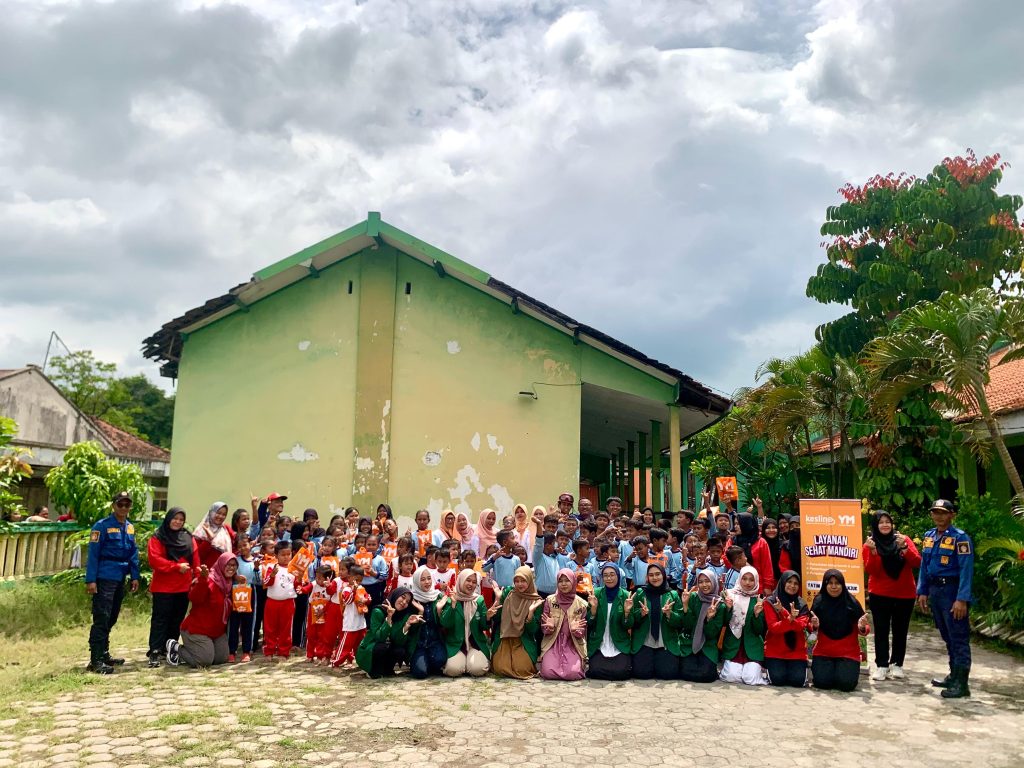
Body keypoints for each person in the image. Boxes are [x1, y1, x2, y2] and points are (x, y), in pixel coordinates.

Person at [916, 499, 974, 698]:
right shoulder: (929, 536)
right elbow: (924, 565)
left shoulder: (960, 538)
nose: (939, 516)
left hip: (952, 591)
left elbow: (966, 570)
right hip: (935, 591)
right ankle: (953, 675)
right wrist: (922, 591)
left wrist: (962, 599)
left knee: (958, 637)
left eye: (943, 512)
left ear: (952, 515)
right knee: (947, 636)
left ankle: (962, 684)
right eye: (935, 512)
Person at [85, 491, 140, 674]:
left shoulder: (130, 527)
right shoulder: (101, 526)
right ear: (113, 505)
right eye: (120, 504)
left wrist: (135, 576)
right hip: (104, 576)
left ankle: (104, 653)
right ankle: (96, 660)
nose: (123, 508)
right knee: (102, 617)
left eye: (127, 505)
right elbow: (93, 554)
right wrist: (91, 580)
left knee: (112, 616)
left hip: (120, 576)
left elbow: (133, 553)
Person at [864, 510, 921, 681]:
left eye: (887, 521)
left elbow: (916, 562)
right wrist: (873, 553)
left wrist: (904, 548)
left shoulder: (903, 539)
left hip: (905, 594)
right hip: (880, 593)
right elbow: (871, 570)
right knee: (881, 630)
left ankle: (897, 664)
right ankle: (882, 665)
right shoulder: (870, 544)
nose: (885, 525)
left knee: (900, 630)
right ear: (875, 525)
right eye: (881, 522)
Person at [146, 507, 197, 668]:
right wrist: (175, 567)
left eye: (181, 520)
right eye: (175, 518)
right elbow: (154, 560)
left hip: (183, 587)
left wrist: (197, 576)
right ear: (168, 519)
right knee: (160, 620)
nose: (178, 522)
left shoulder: (188, 537)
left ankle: (170, 649)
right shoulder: (158, 537)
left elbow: (195, 557)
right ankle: (155, 651)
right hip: (163, 587)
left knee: (176, 620)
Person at [166, 552, 236, 668]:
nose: (231, 568)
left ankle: (201, 651)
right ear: (221, 564)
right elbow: (194, 598)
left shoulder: (231, 584)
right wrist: (203, 580)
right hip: (197, 629)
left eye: (234, 565)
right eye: (228, 564)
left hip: (216, 631)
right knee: (204, 661)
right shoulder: (210, 580)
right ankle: (176, 648)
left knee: (221, 658)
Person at [810, 569, 868, 692]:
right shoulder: (819, 601)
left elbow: (865, 628)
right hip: (824, 652)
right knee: (822, 683)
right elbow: (810, 626)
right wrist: (814, 625)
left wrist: (862, 627)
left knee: (846, 685)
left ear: (843, 584)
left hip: (847, 653)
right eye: (830, 583)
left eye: (837, 583)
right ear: (825, 584)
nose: (834, 586)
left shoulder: (852, 602)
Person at [625, 563, 681, 680]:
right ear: (647, 577)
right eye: (651, 575)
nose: (655, 578)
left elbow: (680, 622)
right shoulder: (640, 593)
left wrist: (669, 614)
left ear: (663, 575)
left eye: (657, 574)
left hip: (665, 643)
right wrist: (641, 613)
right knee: (641, 674)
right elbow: (632, 620)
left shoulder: (672, 594)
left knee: (668, 674)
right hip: (645, 642)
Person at [490, 565, 544, 679]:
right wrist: (498, 599)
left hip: (523, 640)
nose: (519, 584)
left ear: (530, 580)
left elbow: (533, 631)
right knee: (500, 668)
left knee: (522, 669)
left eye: (523, 581)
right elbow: (497, 619)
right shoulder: (508, 593)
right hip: (505, 638)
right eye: (517, 581)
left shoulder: (536, 601)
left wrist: (530, 613)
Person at [719, 566, 767, 685]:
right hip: (733, 646)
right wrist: (728, 609)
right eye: (744, 579)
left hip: (752, 647)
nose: (747, 583)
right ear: (739, 579)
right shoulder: (730, 596)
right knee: (731, 676)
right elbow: (723, 622)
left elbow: (759, 630)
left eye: (751, 580)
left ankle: (757, 670)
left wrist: (756, 615)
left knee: (750, 678)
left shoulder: (758, 600)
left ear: (756, 581)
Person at [538, 569, 588, 681]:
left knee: (573, 673)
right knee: (548, 672)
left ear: (573, 582)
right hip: (553, 642)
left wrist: (575, 631)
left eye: (567, 581)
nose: (563, 584)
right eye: (560, 581)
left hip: (572, 643)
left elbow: (582, 633)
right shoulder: (550, 600)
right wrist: (549, 628)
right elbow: (544, 628)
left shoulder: (581, 604)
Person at [763, 570, 810, 688]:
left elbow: (800, 627)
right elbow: (773, 628)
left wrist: (784, 613)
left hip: (797, 652)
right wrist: (790, 619)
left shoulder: (802, 604)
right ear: (783, 582)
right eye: (789, 582)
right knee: (778, 680)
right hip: (775, 651)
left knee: (797, 681)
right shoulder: (771, 602)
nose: (792, 586)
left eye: (796, 583)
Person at [439, 570, 491, 677]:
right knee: (452, 670)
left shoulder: (479, 600)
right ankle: (465, 663)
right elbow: (445, 624)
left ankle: (469, 663)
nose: (471, 584)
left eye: (474, 582)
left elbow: (484, 626)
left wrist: (487, 617)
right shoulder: (451, 599)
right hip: (456, 645)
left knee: (477, 670)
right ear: (461, 580)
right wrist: (453, 606)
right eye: (468, 580)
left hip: (474, 644)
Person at [356, 587, 415, 678]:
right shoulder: (378, 611)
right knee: (381, 646)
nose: (404, 602)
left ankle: (387, 669)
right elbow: (379, 637)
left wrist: (407, 625)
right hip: (371, 647)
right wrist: (389, 618)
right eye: (403, 597)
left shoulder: (402, 616)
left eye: (407, 602)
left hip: (387, 646)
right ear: (396, 595)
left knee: (399, 650)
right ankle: (373, 670)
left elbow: (399, 642)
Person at [679, 569, 725, 683]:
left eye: (707, 581)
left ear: (713, 582)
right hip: (690, 643)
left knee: (706, 675)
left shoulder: (720, 605)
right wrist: (685, 605)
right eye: (700, 582)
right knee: (684, 672)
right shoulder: (693, 597)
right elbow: (688, 626)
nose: (704, 585)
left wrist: (709, 619)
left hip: (708, 646)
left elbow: (711, 634)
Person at [586, 565, 631, 680]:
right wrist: (593, 610)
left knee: (621, 672)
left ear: (618, 576)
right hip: (600, 643)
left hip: (618, 643)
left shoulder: (626, 596)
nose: (609, 578)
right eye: (605, 576)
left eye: (612, 575)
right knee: (595, 670)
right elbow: (589, 624)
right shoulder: (596, 594)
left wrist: (626, 613)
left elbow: (628, 625)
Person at [406, 566, 447, 679]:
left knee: (440, 660)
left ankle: (429, 661)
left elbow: (443, 624)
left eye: (429, 578)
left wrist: (439, 610)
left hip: (435, 642)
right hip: (418, 644)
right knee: (420, 673)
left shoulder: (437, 596)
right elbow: (411, 629)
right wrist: (420, 612)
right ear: (416, 581)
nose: (427, 582)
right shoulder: (412, 600)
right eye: (423, 579)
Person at [261, 541, 298, 659]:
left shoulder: (294, 569)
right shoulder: (271, 567)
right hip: (272, 602)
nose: (286, 557)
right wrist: (272, 575)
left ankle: (284, 651)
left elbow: (298, 586)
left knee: (286, 628)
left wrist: (300, 577)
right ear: (276, 555)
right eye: (283, 555)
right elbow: (266, 583)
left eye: (288, 554)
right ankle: (269, 650)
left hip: (288, 602)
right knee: (270, 628)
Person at [228, 534, 257, 662]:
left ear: (251, 544)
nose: (243, 548)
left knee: (248, 623)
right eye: (239, 546)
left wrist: (257, 568)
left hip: (250, 593)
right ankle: (231, 651)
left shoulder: (257, 560)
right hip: (236, 593)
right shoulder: (235, 560)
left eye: (245, 545)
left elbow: (259, 579)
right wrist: (236, 577)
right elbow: (229, 572)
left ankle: (246, 651)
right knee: (234, 623)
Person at [733, 512, 775, 595]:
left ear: (746, 524)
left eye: (738, 524)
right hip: (736, 586)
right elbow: (726, 558)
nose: (735, 526)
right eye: (735, 524)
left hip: (757, 587)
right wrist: (743, 563)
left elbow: (767, 566)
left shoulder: (760, 542)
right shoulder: (733, 541)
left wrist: (767, 586)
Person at [193, 502, 233, 568]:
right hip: (205, 571)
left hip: (221, 572)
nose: (221, 516)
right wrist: (208, 540)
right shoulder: (201, 530)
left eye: (224, 514)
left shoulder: (225, 530)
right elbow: (198, 555)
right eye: (218, 513)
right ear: (212, 512)